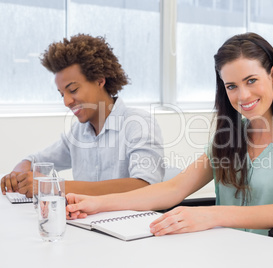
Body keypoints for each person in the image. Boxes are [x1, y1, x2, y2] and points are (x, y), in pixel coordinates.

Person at [65, 32, 273, 247]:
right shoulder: (229, 136)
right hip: (229, 252)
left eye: (251, 80)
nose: (242, 95)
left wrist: (212, 216)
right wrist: (97, 203)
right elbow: (173, 189)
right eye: (231, 86)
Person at [1, 34, 164, 197]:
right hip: (85, 221)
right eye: (62, 94)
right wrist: (18, 173)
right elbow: (33, 160)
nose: (66, 101)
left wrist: (54, 186)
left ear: (100, 81)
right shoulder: (78, 133)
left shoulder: (138, 124)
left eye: (73, 90)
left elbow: (145, 186)